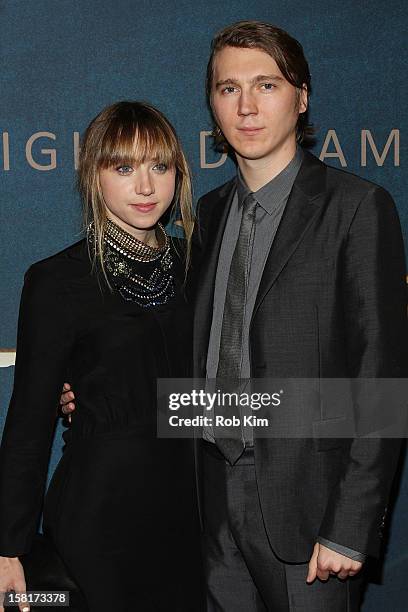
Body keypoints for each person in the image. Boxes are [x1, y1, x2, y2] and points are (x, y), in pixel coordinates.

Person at [61, 21, 407, 612]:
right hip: (207, 509)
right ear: (212, 105)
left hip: (310, 516)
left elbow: (381, 379)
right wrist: (97, 395)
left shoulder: (357, 208)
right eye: (228, 89)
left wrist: (351, 522)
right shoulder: (206, 218)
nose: (246, 106)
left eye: (266, 85)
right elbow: (201, 367)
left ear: (301, 98)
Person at [0, 101, 204, 611]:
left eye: (160, 166)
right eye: (123, 167)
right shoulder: (57, 281)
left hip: (194, 509)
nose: (145, 186)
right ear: (94, 174)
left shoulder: (200, 264)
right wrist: (8, 548)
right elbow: (28, 424)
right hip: (102, 511)